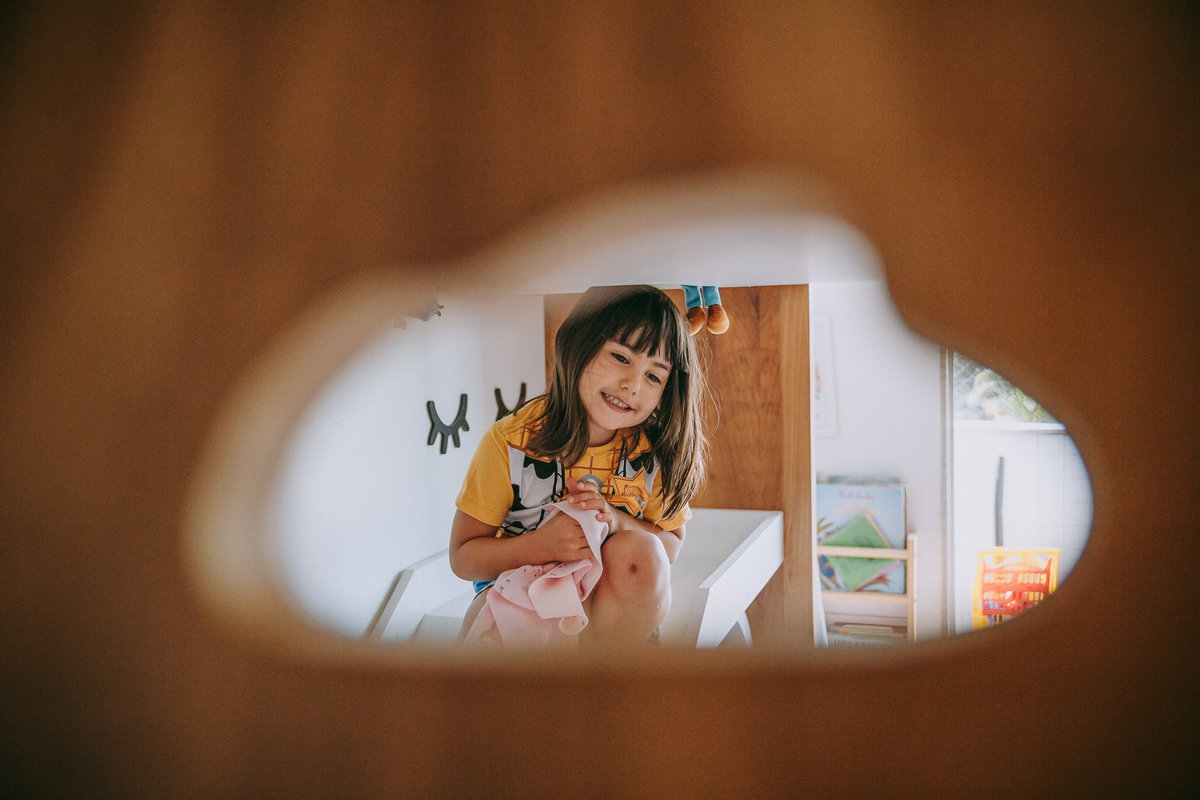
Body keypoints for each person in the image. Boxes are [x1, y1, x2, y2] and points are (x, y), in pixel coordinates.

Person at [449, 285, 708, 646]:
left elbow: (671, 546)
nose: (632, 384)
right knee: (480, 628)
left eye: (654, 376)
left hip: (610, 604)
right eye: (620, 357)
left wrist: (616, 521)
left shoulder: (652, 453)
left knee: (644, 553)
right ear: (579, 345)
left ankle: (608, 674)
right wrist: (542, 547)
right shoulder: (510, 442)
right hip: (520, 587)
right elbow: (463, 559)